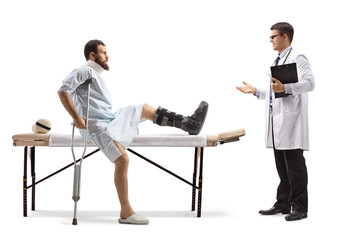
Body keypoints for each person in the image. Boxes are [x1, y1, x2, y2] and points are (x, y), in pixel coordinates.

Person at [57, 39, 208, 225]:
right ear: (92, 55)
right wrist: (77, 118)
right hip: (97, 126)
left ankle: (189, 124)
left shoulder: (95, 75)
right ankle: (126, 212)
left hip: (110, 119)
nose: (108, 56)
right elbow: (62, 91)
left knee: (143, 108)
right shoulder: (83, 71)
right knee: (123, 159)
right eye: (104, 52)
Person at [236, 22, 315, 221]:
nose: (270, 40)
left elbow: (310, 83)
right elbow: (275, 92)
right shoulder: (278, 60)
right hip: (278, 121)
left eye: (273, 36)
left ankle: (300, 207)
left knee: (294, 167)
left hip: (291, 121)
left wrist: (286, 89)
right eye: (270, 37)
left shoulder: (298, 57)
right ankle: (283, 204)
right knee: (281, 166)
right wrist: (256, 91)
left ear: (285, 36)